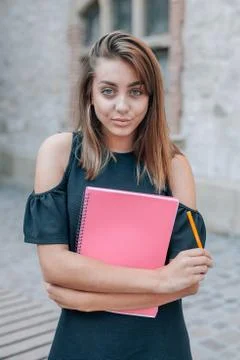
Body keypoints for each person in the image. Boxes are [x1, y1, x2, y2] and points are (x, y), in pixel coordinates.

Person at [23, 31, 213, 360]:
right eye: (108, 91)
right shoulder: (59, 153)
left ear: (151, 98)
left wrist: (87, 299)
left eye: (136, 92)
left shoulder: (174, 166)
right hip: (83, 345)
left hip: (159, 345)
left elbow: (188, 281)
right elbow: (55, 266)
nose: (121, 107)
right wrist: (160, 280)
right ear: (90, 94)